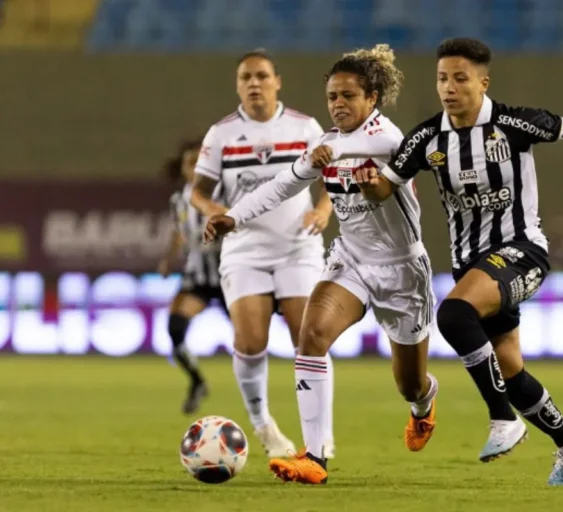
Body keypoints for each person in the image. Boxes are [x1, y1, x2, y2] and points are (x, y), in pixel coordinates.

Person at [353, 38, 563, 486]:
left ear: (483, 82)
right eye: (442, 79)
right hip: (471, 265)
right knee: (509, 369)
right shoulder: (426, 138)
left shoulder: (515, 123)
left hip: (522, 251)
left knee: (453, 314)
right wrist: (366, 181)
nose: (449, 88)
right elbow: (385, 187)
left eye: (460, 78)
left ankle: (502, 419)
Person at [205, 44, 439, 485]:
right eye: (332, 96)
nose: (338, 104)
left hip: (402, 270)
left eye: (348, 96)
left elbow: (375, 164)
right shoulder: (327, 143)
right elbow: (281, 185)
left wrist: (339, 159)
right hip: (351, 261)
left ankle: (423, 404)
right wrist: (232, 217)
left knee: (409, 383)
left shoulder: (389, 139)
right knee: (311, 338)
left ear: (372, 98)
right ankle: (315, 458)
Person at [190, 48, 334, 458]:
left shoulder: (305, 127)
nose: (254, 83)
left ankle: (320, 437)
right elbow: (198, 192)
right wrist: (216, 210)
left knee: (310, 339)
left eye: (262, 76)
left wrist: (324, 210)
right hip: (245, 249)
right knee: (251, 341)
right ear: (238, 86)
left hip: (298, 247)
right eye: (246, 77)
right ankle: (262, 424)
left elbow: (332, 178)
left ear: (277, 82)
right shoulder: (221, 134)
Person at [157, 136, 225, 415]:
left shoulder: (225, 193)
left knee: (250, 340)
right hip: (197, 278)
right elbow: (179, 233)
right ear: (183, 168)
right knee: (175, 329)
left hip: (230, 276)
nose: (197, 168)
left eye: (202, 161)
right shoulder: (179, 201)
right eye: (191, 162)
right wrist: (168, 260)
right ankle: (197, 381)